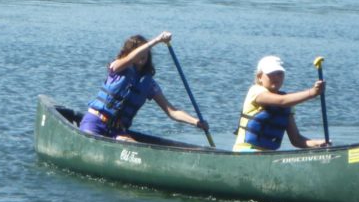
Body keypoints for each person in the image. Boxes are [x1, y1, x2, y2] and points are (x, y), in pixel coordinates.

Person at [79, 32, 209, 141]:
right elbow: (130, 59)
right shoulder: (117, 68)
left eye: (145, 51)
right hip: (95, 122)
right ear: (130, 53)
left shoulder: (149, 84)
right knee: (92, 138)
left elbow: (172, 111)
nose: (142, 54)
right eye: (138, 51)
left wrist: (196, 122)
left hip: (117, 131)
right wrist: (157, 40)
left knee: (132, 145)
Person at [233, 55, 328, 152]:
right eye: (271, 73)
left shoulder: (287, 104)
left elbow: (296, 140)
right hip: (245, 151)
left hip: (268, 155)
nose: (276, 77)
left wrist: (319, 144)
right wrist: (312, 92)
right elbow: (282, 101)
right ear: (259, 77)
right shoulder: (256, 91)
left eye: (279, 73)